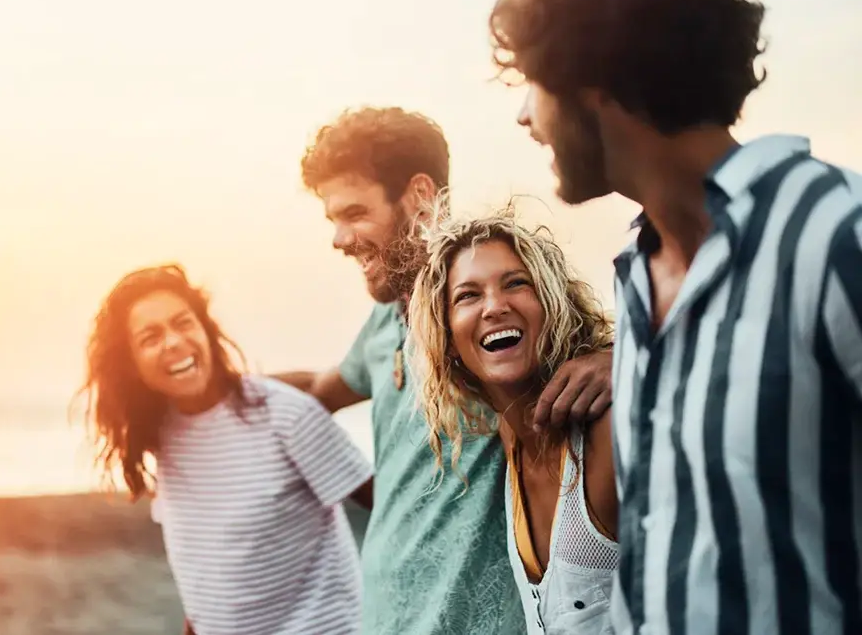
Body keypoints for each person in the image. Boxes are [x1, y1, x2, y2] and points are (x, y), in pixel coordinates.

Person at [489, 0, 862, 633]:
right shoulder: (636, 280)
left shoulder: (836, 236)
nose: (524, 116)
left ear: (592, 80)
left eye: (532, 83)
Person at [275, 106, 614, 634]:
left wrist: (621, 361)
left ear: (419, 194)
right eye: (333, 220)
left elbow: (573, 333)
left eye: (355, 213)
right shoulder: (383, 324)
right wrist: (215, 396)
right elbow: (318, 390)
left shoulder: (486, 327)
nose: (340, 238)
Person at [78, 264, 373, 635]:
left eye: (183, 323)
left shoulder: (284, 414)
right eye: (150, 337)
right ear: (132, 366)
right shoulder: (164, 435)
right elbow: (208, 575)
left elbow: (395, 512)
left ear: (206, 331)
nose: (172, 342)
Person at [408, 205, 619, 635]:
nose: (494, 307)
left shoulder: (609, 426)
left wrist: (631, 360)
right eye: (468, 295)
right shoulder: (507, 441)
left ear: (552, 303)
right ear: (448, 339)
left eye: (516, 284)